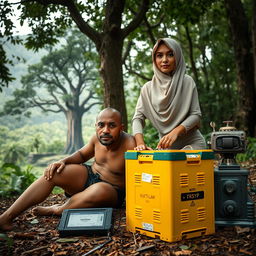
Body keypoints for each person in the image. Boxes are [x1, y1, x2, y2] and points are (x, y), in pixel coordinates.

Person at [0, 108, 136, 231]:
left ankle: (57, 209)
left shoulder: (130, 144)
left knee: (100, 189)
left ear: (121, 127)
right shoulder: (96, 138)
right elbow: (82, 155)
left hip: (111, 191)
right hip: (89, 176)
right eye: (101, 125)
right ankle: (6, 217)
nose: (105, 130)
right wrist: (62, 161)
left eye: (112, 125)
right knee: (53, 173)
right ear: (96, 126)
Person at [132, 38, 206, 150]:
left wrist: (176, 131)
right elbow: (138, 118)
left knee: (182, 164)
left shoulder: (187, 82)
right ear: (154, 59)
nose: (164, 60)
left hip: (193, 145)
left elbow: (195, 115)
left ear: (177, 57)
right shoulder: (147, 89)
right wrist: (140, 144)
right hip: (166, 148)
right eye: (159, 55)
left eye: (170, 55)